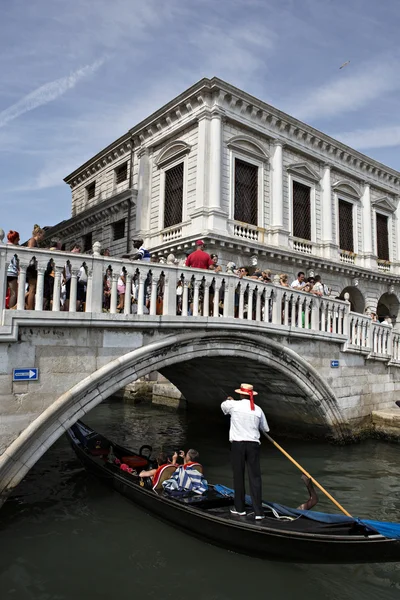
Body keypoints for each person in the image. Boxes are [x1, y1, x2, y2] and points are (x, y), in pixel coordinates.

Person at [221, 383, 269, 520]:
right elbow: (265, 429)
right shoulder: (258, 409)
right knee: (255, 478)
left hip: (238, 445)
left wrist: (229, 400)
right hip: (253, 445)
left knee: (238, 476)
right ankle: (259, 512)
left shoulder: (233, 405)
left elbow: (223, 406)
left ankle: (240, 509)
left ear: (241, 394)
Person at [26, 225, 45, 310]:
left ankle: (28, 306)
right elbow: (30, 252)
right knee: (32, 289)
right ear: (39, 234)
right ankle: (30, 308)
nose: (43, 237)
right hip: (31, 268)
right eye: (42, 235)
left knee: (33, 289)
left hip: (33, 268)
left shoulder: (36, 242)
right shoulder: (32, 240)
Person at [6, 230, 20, 309]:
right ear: (15, 239)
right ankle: (10, 309)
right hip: (12, 273)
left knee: (3, 292)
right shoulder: (15, 249)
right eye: (18, 239)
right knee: (13, 293)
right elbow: (16, 262)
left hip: (4, 272)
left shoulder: (5, 246)